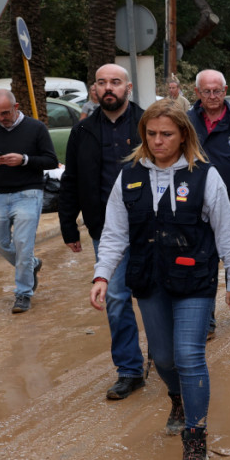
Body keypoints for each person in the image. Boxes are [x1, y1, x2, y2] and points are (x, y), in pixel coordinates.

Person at [89, 99, 230, 460]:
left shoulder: (205, 176)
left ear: (183, 135)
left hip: (194, 279)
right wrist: (101, 275)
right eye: (152, 134)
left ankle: (196, 439)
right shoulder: (129, 176)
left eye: (167, 134)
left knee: (188, 354)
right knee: (161, 358)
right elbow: (113, 233)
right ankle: (176, 398)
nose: (158, 141)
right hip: (149, 278)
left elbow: (227, 230)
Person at [60, 63, 148, 399]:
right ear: (94, 89)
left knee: (158, 292)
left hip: (151, 225)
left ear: (127, 87)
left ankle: (167, 356)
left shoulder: (149, 124)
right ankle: (129, 370)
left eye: (115, 82)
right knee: (115, 297)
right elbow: (71, 181)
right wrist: (69, 225)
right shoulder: (82, 132)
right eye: (101, 83)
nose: (108, 88)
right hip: (106, 229)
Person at [0, 89, 58, 313]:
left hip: (29, 193)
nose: (1, 118)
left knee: (23, 244)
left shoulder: (36, 128)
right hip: (0, 194)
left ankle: (23, 293)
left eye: (5, 113)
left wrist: (24, 160)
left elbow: (51, 160)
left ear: (16, 106)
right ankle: (32, 265)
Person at [188, 69, 230, 323]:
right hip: (194, 204)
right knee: (202, 260)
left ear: (225, 91)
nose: (213, 96)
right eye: (207, 91)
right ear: (197, 93)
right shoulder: (186, 122)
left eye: (217, 91)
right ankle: (207, 318)